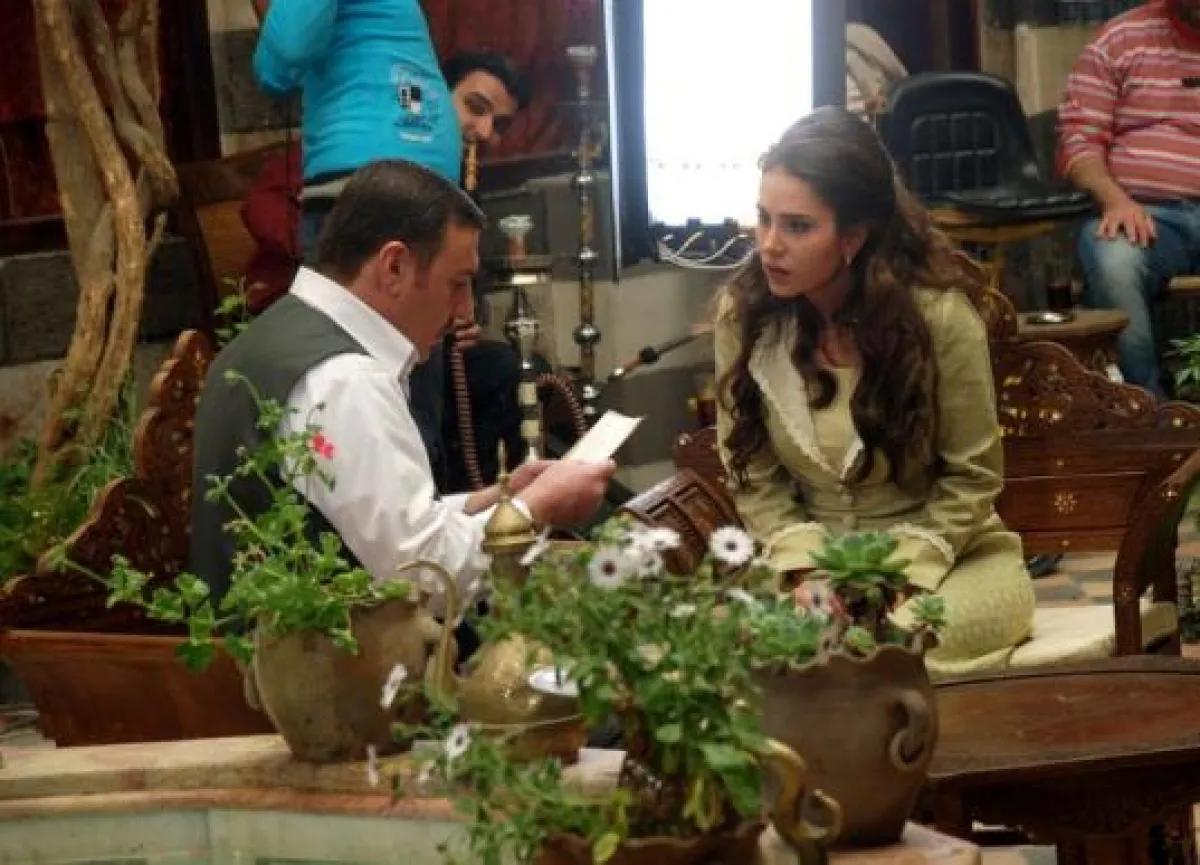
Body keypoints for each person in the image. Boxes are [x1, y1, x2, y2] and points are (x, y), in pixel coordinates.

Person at [191, 159, 614, 618]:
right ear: (394, 266)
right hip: (319, 660)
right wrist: (539, 508)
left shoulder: (282, 333)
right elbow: (424, 579)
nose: (464, 311)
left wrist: (490, 501)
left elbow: (380, 526)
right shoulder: (344, 378)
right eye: (457, 284)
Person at [714, 107, 1036, 679]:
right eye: (764, 219)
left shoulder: (939, 319)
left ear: (854, 238)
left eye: (797, 226)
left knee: (896, 649)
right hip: (802, 565)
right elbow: (755, 477)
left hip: (945, 563)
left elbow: (973, 476)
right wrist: (806, 573)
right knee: (744, 650)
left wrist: (897, 579)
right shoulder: (747, 318)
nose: (769, 245)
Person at [1057, 0, 1200, 396]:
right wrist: (1114, 199)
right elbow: (1078, 142)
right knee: (1113, 261)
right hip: (1145, 215)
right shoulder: (1119, 39)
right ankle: (1144, 409)